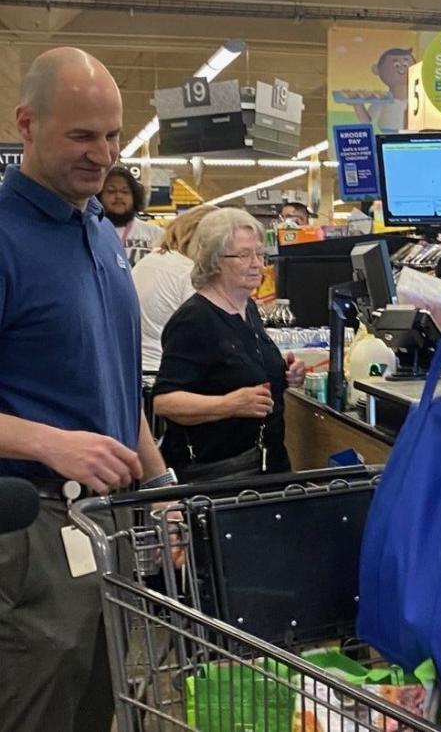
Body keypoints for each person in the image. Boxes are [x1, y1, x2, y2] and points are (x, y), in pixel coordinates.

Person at [0, 47, 176, 732]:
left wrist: (162, 485)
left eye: (111, 136)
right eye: (80, 135)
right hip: (28, 534)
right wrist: (52, 441)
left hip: (111, 525)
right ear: (27, 124)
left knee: (96, 707)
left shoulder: (101, 235)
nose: (101, 155)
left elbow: (114, 383)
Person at [152, 208, 305, 480]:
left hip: (266, 466)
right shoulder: (195, 320)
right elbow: (164, 402)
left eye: (260, 254)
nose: (257, 263)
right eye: (244, 255)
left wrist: (285, 374)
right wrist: (228, 404)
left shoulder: (249, 309)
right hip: (220, 476)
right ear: (214, 261)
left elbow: (238, 371)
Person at [132, 205, 216, 373]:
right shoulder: (188, 270)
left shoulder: (148, 261)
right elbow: (206, 334)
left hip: (136, 366)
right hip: (166, 369)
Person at [97, 164, 163, 267]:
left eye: (125, 191)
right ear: (99, 196)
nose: (119, 196)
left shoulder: (155, 234)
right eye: (111, 191)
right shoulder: (90, 232)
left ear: (134, 197)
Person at [353, 47, 415, 134]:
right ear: (376, 70)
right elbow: (367, 121)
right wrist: (357, 104)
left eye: (405, 65)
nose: (401, 69)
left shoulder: (419, 101)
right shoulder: (382, 100)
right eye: (396, 66)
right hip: (386, 141)